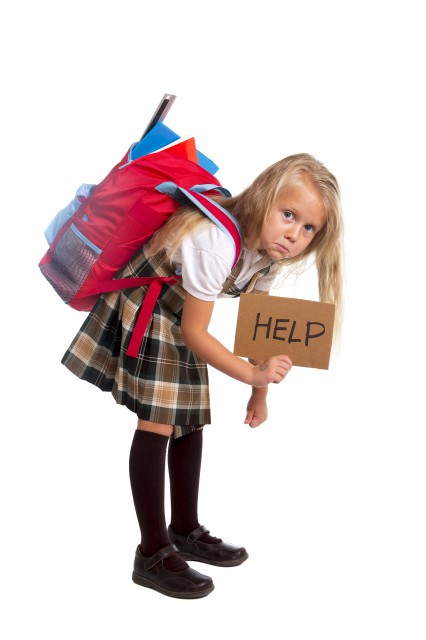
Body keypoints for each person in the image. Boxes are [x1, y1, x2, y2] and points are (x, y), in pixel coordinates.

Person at [62, 152, 343, 599]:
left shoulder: (267, 257)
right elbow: (196, 332)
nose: (294, 234)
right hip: (149, 310)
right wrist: (253, 376)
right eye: (288, 215)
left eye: (308, 228)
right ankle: (151, 552)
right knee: (158, 421)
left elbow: (258, 324)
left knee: (190, 418)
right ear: (265, 198)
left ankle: (185, 529)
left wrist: (260, 393)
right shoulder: (216, 242)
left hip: (180, 316)